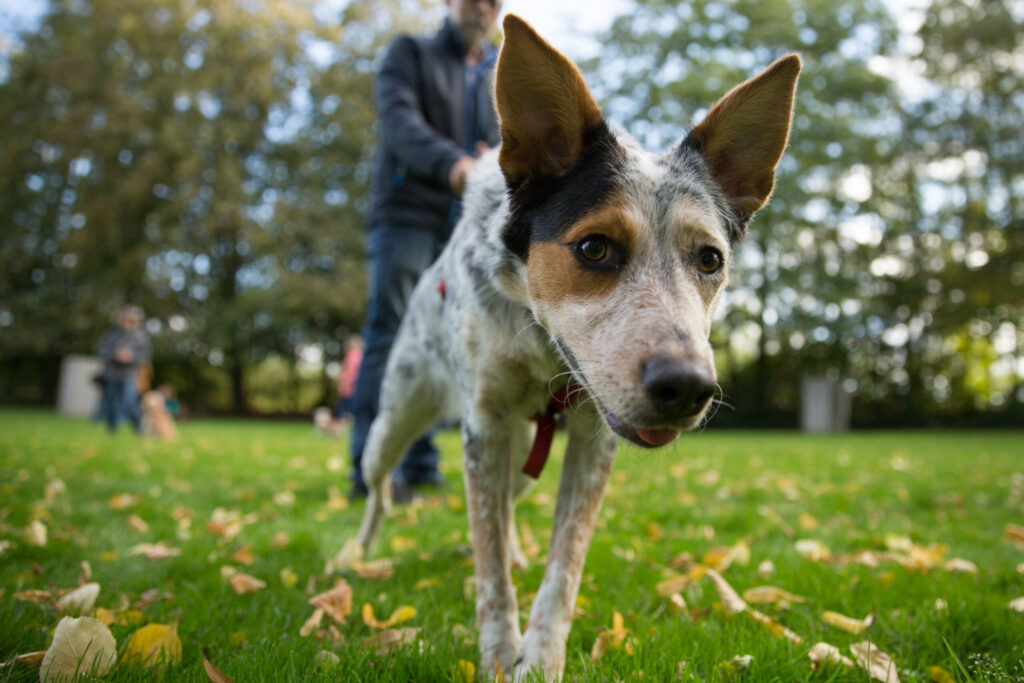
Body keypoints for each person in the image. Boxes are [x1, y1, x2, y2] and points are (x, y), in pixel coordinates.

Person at [348, 0, 502, 501]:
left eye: (494, 1)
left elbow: (507, 140)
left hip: (467, 223)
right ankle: (371, 467)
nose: (483, 7)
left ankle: (420, 462)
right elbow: (401, 125)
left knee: (448, 338)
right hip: (407, 215)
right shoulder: (409, 53)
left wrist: (492, 158)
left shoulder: (498, 71)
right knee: (390, 333)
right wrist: (454, 165)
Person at [96, 305, 151, 433]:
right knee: (111, 403)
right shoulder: (112, 335)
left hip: (130, 375)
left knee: (131, 402)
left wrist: (131, 357)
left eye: (132, 320)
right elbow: (102, 351)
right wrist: (115, 355)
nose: (128, 323)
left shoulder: (140, 337)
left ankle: (138, 430)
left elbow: (145, 355)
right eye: (126, 319)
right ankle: (112, 431)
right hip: (112, 374)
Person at [334, 335, 364, 424]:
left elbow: (350, 372)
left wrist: (344, 383)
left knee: (344, 410)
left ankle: (339, 427)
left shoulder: (353, 355)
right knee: (349, 409)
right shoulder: (360, 355)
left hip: (349, 389)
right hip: (354, 388)